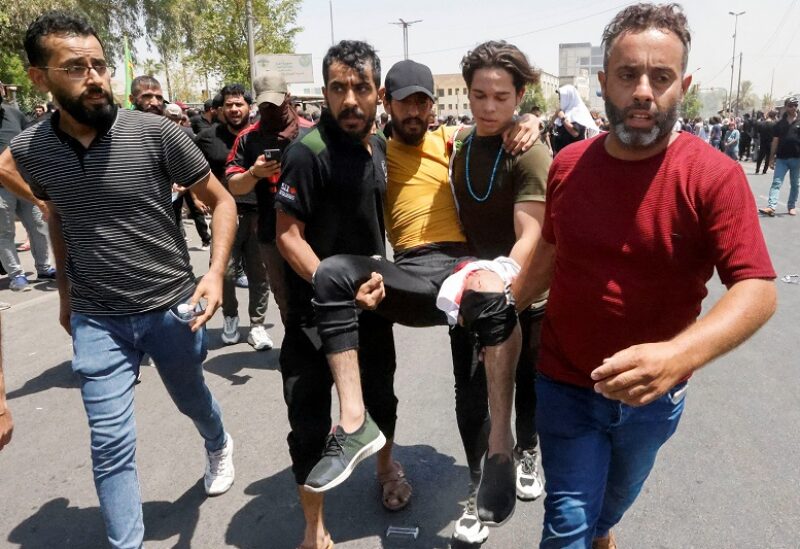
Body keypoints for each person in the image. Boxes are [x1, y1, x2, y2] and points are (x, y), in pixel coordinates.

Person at [512, 5, 776, 548]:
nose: (642, 92)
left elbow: (757, 290)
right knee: (568, 526)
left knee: (607, 512)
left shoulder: (715, 176)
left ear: (683, 85)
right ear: (603, 80)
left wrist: (679, 356)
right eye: (628, 74)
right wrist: (500, 307)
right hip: (564, 383)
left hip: (653, 401)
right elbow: (550, 257)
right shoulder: (568, 165)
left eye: (660, 78)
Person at [0, 12, 238, 549]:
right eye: (76, 67)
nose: (95, 77)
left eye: (100, 65)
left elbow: (221, 202)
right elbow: (54, 213)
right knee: (109, 444)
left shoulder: (155, 133)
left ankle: (218, 441)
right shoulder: (34, 150)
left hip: (171, 307)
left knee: (191, 398)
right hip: (96, 318)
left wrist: (217, 274)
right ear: (40, 78)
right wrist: (64, 295)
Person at [303, 57, 540, 543]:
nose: (415, 112)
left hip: (460, 268)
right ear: (386, 103)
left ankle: (490, 470)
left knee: (470, 387)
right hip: (407, 271)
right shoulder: (372, 150)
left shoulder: (452, 142)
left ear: (433, 106)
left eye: (423, 102)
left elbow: (496, 127)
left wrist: (530, 120)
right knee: (330, 274)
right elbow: (322, 140)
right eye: (404, 102)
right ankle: (353, 422)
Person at [272, 40, 400, 549]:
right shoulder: (308, 153)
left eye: (361, 88)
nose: (350, 100)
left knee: (382, 402)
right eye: (338, 88)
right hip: (312, 318)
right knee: (308, 425)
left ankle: (387, 469)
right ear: (323, 92)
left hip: (373, 312)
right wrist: (335, 290)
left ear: (379, 93)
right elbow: (286, 235)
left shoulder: (382, 147)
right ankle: (314, 525)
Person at [442, 39, 551, 530]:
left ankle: (525, 451)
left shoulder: (528, 151)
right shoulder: (461, 143)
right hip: (470, 294)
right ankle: (478, 485)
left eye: (502, 98)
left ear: (520, 95)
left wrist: (504, 281)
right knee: (469, 396)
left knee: (525, 388)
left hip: (523, 294)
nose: (489, 107)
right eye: (479, 95)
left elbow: (531, 232)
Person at [226, 72, 312, 324]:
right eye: (264, 106)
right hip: (270, 232)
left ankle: (319, 350)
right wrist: (254, 173)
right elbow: (234, 186)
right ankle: (296, 349)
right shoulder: (248, 138)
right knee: (284, 298)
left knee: (318, 291)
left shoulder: (311, 133)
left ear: (288, 98)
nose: (269, 110)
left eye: (275, 104)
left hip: (312, 230)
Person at [196, 83, 273, 350]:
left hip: (259, 212)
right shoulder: (207, 137)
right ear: (220, 109)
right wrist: (195, 196)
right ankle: (230, 317)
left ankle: (257, 325)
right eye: (229, 104)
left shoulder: (260, 135)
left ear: (249, 108)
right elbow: (191, 167)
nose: (234, 109)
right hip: (224, 215)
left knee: (259, 273)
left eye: (239, 104)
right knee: (225, 273)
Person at [0, 79, 55, 292]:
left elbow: (30, 141)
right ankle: (17, 275)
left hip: (25, 184)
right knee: (5, 233)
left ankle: (43, 267)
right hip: (1, 189)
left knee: (39, 226)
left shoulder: (14, 113)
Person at [759, 96, 800, 217]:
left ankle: (791, 206)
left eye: (796, 105)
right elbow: (775, 141)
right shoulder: (779, 124)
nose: (794, 107)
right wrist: (771, 158)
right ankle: (771, 206)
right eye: (791, 105)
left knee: (795, 183)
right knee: (776, 182)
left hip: (797, 158)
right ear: (786, 107)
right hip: (782, 158)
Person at [549, 84, 599, 156]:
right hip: (559, 154)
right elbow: (550, 128)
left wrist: (563, 118)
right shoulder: (563, 112)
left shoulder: (578, 113)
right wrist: (555, 116)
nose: (560, 100)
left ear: (568, 98)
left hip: (573, 155)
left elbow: (575, 133)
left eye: (561, 98)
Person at [755, 110, 778, 174]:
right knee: (768, 157)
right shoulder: (774, 124)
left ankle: (757, 169)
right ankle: (764, 170)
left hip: (763, 141)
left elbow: (758, 133)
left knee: (760, 156)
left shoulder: (761, 124)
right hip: (770, 142)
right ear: (774, 116)